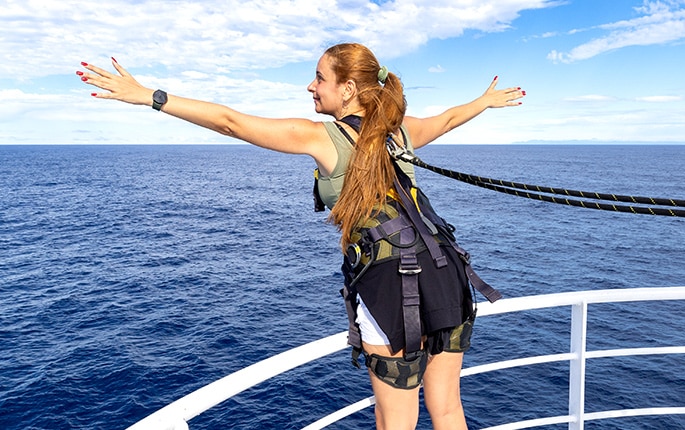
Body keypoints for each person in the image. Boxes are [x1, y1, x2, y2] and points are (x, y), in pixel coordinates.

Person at [79, 42, 523, 430]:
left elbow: (231, 122)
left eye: (319, 78)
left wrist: (150, 97)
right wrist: (483, 101)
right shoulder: (400, 132)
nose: (311, 87)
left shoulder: (321, 137)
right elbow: (447, 119)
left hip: (393, 283)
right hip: (447, 271)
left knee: (395, 422)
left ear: (347, 88)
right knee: (447, 412)